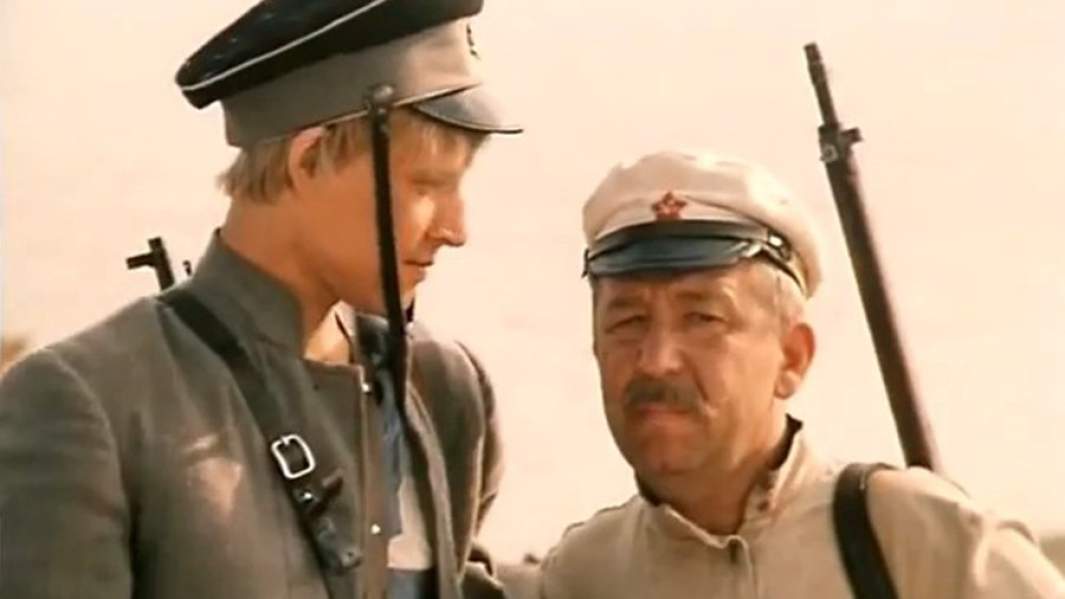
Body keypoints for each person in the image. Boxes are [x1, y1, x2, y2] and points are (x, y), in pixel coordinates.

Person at [0, 1, 520, 598]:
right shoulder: (86, 405)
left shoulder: (443, 387)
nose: (456, 229)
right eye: (427, 185)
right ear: (308, 160)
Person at [517, 149, 1065, 598]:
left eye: (702, 318)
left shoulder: (922, 542)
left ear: (792, 357)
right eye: (628, 322)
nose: (657, 359)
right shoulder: (581, 579)